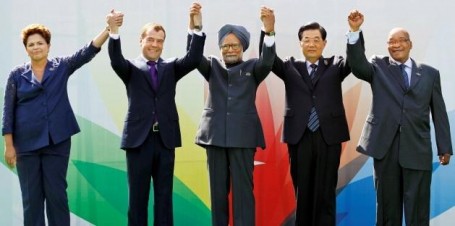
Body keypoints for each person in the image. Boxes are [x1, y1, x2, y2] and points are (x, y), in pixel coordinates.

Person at [347, 10, 453, 226]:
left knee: (417, 210)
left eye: (400, 41)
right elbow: (357, 64)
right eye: (391, 42)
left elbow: (439, 113)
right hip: (385, 149)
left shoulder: (430, 73)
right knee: (387, 209)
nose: (395, 45)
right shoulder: (378, 66)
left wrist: (445, 147)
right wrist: (354, 31)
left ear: (410, 44)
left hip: (417, 148)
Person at [2, 19, 112, 226]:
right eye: (31, 44)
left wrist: (108, 30)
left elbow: (87, 52)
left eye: (40, 43)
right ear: (26, 49)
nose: (36, 47)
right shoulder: (16, 75)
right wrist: (9, 146)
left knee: (57, 195)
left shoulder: (61, 66)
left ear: (48, 46)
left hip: (57, 142)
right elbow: (8, 112)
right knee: (31, 199)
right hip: (25, 145)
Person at [106, 3, 206, 226]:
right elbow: (115, 60)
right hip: (138, 142)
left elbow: (193, 58)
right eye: (150, 39)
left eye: (159, 41)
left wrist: (196, 27)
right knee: (137, 200)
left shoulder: (171, 67)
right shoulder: (130, 68)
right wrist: (113, 32)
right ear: (141, 40)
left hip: (165, 140)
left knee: (164, 198)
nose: (155, 44)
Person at [259, 7, 351, 226]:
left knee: (326, 190)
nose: (311, 44)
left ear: (324, 43)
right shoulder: (289, 66)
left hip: (328, 136)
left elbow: (355, 62)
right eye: (306, 40)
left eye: (316, 39)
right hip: (299, 137)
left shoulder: (336, 65)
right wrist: (269, 31)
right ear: (300, 43)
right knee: (303, 190)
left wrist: (354, 32)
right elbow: (268, 60)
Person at [191, 8, 275, 226]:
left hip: (243, 139)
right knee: (218, 194)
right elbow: (193, 57)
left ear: (243, 48)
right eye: (225, 45)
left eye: (235, 45)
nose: (229, 49)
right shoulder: (212, 66)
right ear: (220, 48)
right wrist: (196, 28)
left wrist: (268, 31)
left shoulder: (253, 68)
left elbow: (267, 61)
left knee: (243, 194)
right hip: (215, 138)